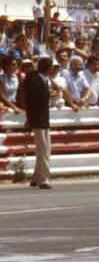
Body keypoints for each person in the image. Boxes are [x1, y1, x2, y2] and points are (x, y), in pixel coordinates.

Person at [25, 56, 53, 189]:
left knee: (44, 148)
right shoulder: (35, 81)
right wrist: (30, 120)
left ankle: (36, 177)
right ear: (49, 68)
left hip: (43, 119)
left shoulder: (44, 80)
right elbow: (30, 103)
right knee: (43, 150)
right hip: (38, 120)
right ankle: (44, 179)